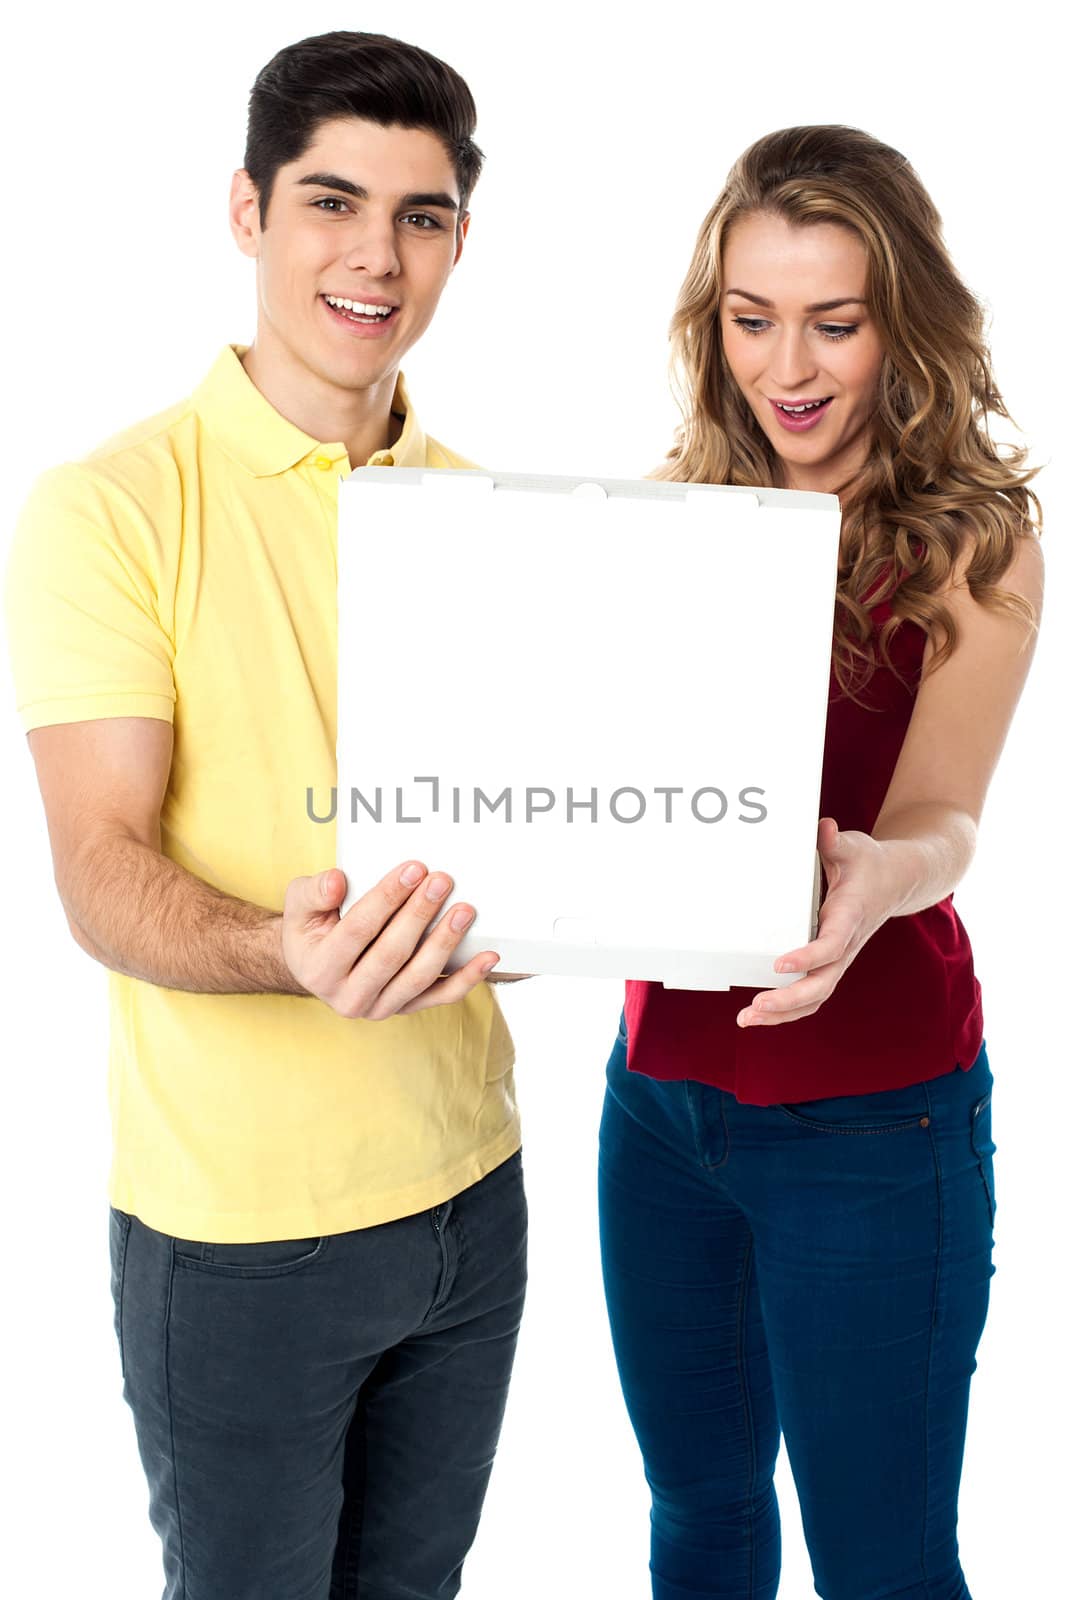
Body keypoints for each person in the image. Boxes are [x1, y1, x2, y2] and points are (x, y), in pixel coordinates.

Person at [3, 31, 528, 1600]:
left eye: (419, 216)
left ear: (455, 241)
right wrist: (286, 950)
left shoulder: (488, 512)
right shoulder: (109, 506)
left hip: (471, 1193)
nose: (374, 255)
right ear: (247, 212)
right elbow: (100, 875)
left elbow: (530, 825)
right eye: (329, 201)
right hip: (241, 1238)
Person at [597, 125, 1043, 1600]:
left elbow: (942, 817)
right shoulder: (667, 515)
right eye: (749, 318)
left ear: (898, 323)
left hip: (872, 1123)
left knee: (883, 1560)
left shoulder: (976, 540)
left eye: (832, 323)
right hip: (658, 1101)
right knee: (699, 1518)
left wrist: (875, 881)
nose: (785, 366)